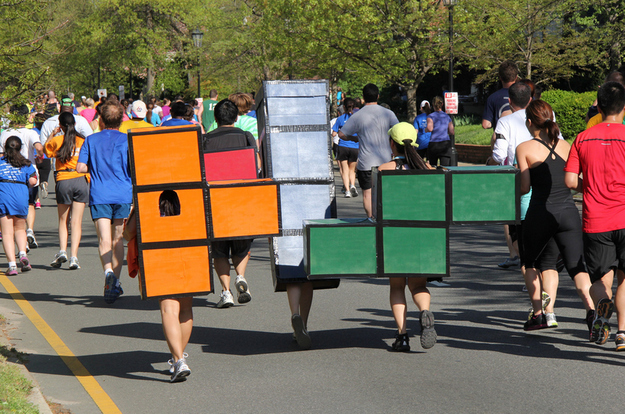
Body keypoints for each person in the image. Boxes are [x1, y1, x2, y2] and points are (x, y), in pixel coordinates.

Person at [516, 99, 594, 331]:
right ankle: (592, 310)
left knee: (531, 262)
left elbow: (525, 187)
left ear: (530, 122)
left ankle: (540, 314)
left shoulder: (524, 148)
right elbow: (574, 181)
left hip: (540, 214)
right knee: (575, 267)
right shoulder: (566, 145)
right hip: (569, 213)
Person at [564, 81, 625, 350]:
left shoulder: (582, 138)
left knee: (601, 278)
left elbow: (569, 180)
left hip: (596, 219)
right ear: (623, 108)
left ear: (598, 107)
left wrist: (588, 184)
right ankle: (622, 333)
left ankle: (601, 305)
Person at [124, 191, 193, 382]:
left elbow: (128, 232)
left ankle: (179, 360)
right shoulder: (191, 195)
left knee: (169, 309)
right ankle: (178, 357)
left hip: (159, 255)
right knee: (186, 309)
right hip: (190, 252)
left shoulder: (148, 194)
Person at [377, 122, 435, 351]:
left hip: (394, 235)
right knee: (419, 285)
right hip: (422, 234)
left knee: (397, 286)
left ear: (392, 143)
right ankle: (424, 312)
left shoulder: (383, 169)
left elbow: (375, 208)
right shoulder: (428, 169)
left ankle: (402, 335)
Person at [202, 99, 257, 308]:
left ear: (215, 119)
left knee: (219, 250)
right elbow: (257, 168)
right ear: (236, 117)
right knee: (242, 245)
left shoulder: (205, 140)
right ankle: (240, 276)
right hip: (242, 200)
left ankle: (226, 293)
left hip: (215, 202)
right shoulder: (245, 137)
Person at [77, 102, 132, 304]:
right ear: (121, 121)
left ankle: (108, 272)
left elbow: (81, 167)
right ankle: (115, 281)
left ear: (100, 120)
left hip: (100, 194)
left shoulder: (91, 140)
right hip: (123, 194)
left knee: (104, 238)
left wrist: (95, 164)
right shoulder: (128, 140)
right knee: (118, 239)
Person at [338, 83, 399, 217]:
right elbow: (398, 131)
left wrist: (356, 138)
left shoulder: (358, 115)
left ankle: (372, 221)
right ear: (378, 96)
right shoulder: (388, 113)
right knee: (384, 194)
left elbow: (341, 134)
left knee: (367, 194)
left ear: (364, 97)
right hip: (386, 161)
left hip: (366, 163)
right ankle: (385, 219)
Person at [44, 112, 90, 269]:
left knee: (63, 220)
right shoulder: (83, 141)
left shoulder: (57, 141)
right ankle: (74, 257)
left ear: (60, 125)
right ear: (75, 124)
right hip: (80, 180)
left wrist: (52, 133)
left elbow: (46, 150)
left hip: (63, 180)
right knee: (76, 222)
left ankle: (62, 250)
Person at [0, 105, 44, 250]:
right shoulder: (31, 133)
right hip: (28, 173)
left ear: (12, 116)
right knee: (30, 204)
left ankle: (18, 242)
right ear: (26, 117)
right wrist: (39, 156)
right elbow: (38, 147)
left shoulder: (5, 133)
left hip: (8, 176)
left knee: (9, 215)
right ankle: (29, 229)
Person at [0, 137, 38, 275]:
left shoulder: (0, 162)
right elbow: (33, 181)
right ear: (20, 148)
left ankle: (12, 265)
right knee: (20, 228)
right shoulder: (26, 164)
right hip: (21, 196)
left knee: (7, 233)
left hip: (4, 196)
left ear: (5, 147)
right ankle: (23, 254)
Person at [482, 60, 519, 141]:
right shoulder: (525, 95)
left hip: (501, 141)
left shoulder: (492, 98)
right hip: (521, 143)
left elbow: (486, 124)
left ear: (500, 78)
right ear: (516, 77)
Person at [332, 98, 359, 198]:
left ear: (344, 107)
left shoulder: (340, 118)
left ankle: (347, 191)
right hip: (355, 146)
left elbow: (334, 133)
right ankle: (353, 185)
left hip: (343, 146)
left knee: (344, 170)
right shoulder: (357, 119)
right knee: (352, 170)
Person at [425, 96, 454, 166]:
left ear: (433, 105)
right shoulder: (447, 116)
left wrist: (425, 129)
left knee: (433, 167)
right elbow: (452, 131)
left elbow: (429, 128)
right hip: (445, 144)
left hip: (434, 144)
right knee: (445, 167)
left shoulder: (431, 116)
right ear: (442, 104)